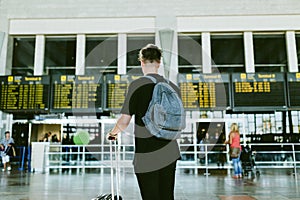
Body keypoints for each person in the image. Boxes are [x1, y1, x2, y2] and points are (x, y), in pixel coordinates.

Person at [107, 44, 181, 200]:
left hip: (146, 153)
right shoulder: (172, 86)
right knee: (167, 196)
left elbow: (124, 120)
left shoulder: (137, 85)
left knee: (150, 196)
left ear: (141, 62)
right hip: (170, 151)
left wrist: (112, 133)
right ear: (159, 62)